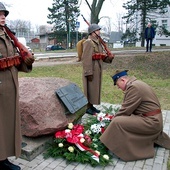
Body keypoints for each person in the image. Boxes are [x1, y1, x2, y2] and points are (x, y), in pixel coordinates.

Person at [100, 70, 170, 161]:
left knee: (117, 122)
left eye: (118, 85)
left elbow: (125, 110)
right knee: (122, 120)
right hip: (151, 119)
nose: (118, 88)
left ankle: (104, 143)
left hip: (151, 122)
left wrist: (111, 120)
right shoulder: (136, 84)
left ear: (123, 80)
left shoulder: (134, 87)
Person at [0, 2, 34, 170]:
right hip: (1, 86)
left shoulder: (7, 35)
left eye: (4, 13)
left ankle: (3, 157)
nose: (3, 16)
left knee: (6, 123)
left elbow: (13, 60)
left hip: (10, 85)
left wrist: (25, 61)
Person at [81, 23, 114, 115]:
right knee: (89, 88)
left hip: (98, 68)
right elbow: (86, 59)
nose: (99, 32)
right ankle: (88, 107)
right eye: (97, 30)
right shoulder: (88, 42)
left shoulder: (98, 42)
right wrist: (88, 72)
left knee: (94, 88)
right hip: (91, 68)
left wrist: (109, 58)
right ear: (92, 32)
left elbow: (102, 57)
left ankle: (91, 105)